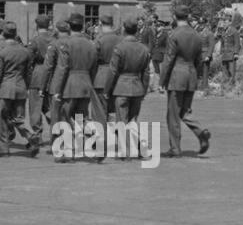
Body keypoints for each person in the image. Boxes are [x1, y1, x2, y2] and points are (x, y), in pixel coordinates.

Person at [159, 9, 210, 157]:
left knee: (173, 114)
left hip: (176, 76)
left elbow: (168, 60)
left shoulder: (174, 35)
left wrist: (162, 81)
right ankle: (201, 132)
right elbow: (199, 60)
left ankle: (175, 149)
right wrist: (195, 74)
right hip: (190, 75)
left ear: (175, 17)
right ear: (188, 17)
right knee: (185, 111)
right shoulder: (197, 35)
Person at [49, 11, 99, 160]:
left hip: (70, 85)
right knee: (80, 117)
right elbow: (94, 68)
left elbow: (62, 68)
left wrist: (57, 90)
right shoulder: (91, 44)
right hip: (86, 84)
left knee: (64, 117)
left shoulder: (67, 43)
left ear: (70, 26)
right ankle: (91, 136)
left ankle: (66, 152)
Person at [102, 15, 152, 160]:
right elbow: (146, 73)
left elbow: (112, 71)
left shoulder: (120, 48)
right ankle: (142, 149)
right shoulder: (143, 48)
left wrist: (107, 90)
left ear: (124, 29)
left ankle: (125, 152)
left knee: (121, 121)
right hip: (137, 86)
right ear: (137, 30)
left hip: (122, 86)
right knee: (133, 120)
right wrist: (144, 89)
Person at [0, 22, 39, 157]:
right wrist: (26, 86)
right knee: (19, 118)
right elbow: (29, 73)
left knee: (2, 119)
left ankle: (3, 149)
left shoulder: (2, 52)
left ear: (4, 34)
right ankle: (31, 135)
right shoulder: (25, 51)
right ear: (16, 34)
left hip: (6, 88)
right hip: (21, 87)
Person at [27, 14, 57, 146]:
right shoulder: (54, 39)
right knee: (49, 106)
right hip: (52, 75)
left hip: (38, 73)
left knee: (35, 108)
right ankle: (57, 129)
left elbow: (29, 60)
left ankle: (37, 135)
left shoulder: (35, 40)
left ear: (37, 26)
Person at [218, 14, 242, 84]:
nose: (224, 23)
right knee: (225, 71)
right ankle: (225, 86)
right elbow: (222, 43)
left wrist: (236, 53)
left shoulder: (234, 31)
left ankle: (231, 87)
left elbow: (237, 43)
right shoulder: (223, 31)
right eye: (224, 21)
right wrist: (221, 52)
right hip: (224, 54)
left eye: (226, 21)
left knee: (232, 72)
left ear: (230, 22)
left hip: (231, 55)